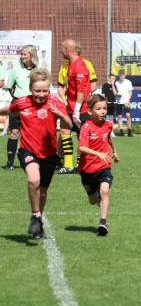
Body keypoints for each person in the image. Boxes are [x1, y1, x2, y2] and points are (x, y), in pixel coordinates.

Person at [0, 69, 72, 238]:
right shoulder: (22, 102)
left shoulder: (55, 102)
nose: (41, 94)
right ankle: (35, 215)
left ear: (49, 89)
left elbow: (68, 124)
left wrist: (60, 114)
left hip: (48, 154)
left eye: (45, 91)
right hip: (27, 150)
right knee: (33, 180)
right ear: (31, 88)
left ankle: (38, 225)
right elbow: (10, 110)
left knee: (44, 192)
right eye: (37, 91)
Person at [78, 94, 119, 236]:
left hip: (104, 165)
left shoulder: (108, 125)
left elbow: (108, 137)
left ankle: (103, 222)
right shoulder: (86, 127)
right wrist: (98, 154)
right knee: (93, 200)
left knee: (105, 190)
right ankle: (99, 200)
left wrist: (115, 151)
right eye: (99, 109)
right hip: (87, 169)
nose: (103, 111)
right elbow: (82, 148)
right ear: (90, 111)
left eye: (105, 108)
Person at [56, 39, 92, 174]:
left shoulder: (80, 67)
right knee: (64, 132)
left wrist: (76, 111)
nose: (60, 51)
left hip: (81, 109)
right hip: (70, 107)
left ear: (67, 50)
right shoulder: (70, 65)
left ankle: (80, 165)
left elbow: (81, 91)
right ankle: (68, 165)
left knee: (82, 137)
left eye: (61, 49)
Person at [4, 45, 36, 170]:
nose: (22, 56)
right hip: (18, 103)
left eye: (25, 54)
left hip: (34, 105)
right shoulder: (16, 70)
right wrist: (19, 100)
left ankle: (32, 161)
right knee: (14, 132)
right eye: (21, 54)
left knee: (32, 134)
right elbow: (10, 87)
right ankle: (10, 163)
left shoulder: (38, 70)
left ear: (32, 55)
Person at [114, 69, 133, 137]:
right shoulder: (116, 83)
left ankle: (129, 131)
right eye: (120, 76)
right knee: (120, 116)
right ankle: (121, 131)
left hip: (126, 102)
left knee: (128, 115)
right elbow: (115, 92)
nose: (121, 77)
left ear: (124, 75)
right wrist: (117, 94)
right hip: (119, 102)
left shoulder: (128, 82)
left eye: (122, 75)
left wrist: (127, 101)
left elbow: (130, 92)